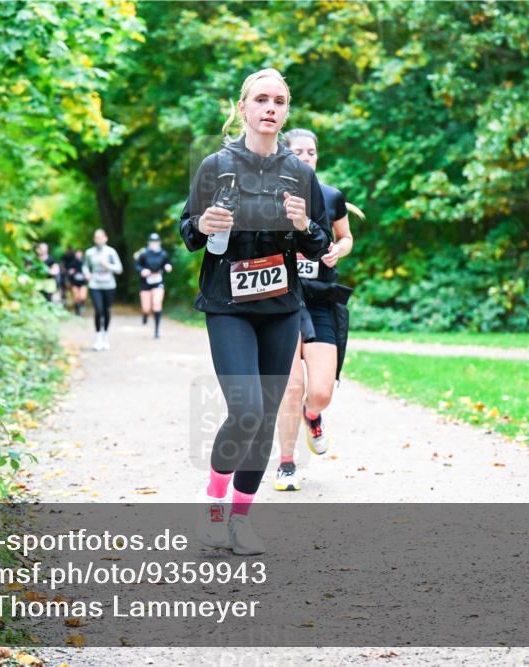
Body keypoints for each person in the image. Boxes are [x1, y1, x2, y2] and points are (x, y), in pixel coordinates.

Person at [180, 68, 331, 555]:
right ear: (242, 107)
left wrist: (304, 224)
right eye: (261, 99)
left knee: (265, 418)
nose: (271, 108)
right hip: (228, 305)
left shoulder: (300, 173)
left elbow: (321, 241)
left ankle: (241, 519)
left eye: (280, 101)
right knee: (245, 411)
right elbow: (189, 233)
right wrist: (202, 222)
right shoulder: (215, 166)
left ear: (287, 111)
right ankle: (213, 504)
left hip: (282, 307)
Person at [273, 128, 363, 492]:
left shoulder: (330, 197)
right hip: (281, 302)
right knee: (291, 387)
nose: (307, 156)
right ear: (285, 155)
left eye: (312, 151)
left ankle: (314, 416)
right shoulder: (269, 197)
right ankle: (286, 464)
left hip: (320, 299)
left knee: (321, 391)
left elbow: (346, 237)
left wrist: (338, 251)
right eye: (299, 151)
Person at [82, 229, 122, 351]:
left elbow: (119, 269)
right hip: (95, 285)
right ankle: (98, 337)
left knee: (106, 310)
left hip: (109, 285)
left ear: (105, 238)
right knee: (98, 310)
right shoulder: (89, 253)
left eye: (101, 237)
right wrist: (87, 273)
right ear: (94, 239)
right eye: (96, 237)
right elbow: (85, 266)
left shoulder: (111, 252)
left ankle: (105, 336)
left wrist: (108, 266)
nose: (99, 239)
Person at [134, 232, 173, 338]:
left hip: (158, 281)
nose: (154, 244)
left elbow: (168, 263)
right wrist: (142, 270)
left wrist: (168, 266)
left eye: (156, 242)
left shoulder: (163, 254)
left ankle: (156, 330)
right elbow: (136, 265)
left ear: (159, 243)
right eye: (152, 242)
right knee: (146, 308)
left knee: (157, 303)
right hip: (145, 282)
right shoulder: (144, 254)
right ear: (149, 243)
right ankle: (145, 314)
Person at [65, 247, 88, 316]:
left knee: (82, 296)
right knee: (76, 297)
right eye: (77, 253)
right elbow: (68, 272)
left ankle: (82, 305)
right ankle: (77, 311)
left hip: (83, 282)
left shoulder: (85, 262)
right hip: (74, 282)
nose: (78, 255)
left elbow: (88, 272)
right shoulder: (72, 263)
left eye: (80, 253)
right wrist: (70, 272)